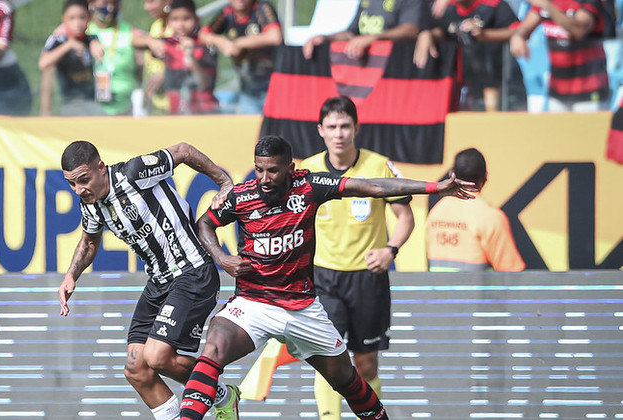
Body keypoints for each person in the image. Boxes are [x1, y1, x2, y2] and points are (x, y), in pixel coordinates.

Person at [179, 135, 477, 420]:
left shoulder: (309, 185)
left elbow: (371, 185)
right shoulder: (240, 197)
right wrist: (221, 258)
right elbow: (205, 223)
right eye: (259, 169)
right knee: (214, 345)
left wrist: (435, 188)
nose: (265, 178)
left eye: (273, 170)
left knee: (347, 380)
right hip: (253, 302)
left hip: (303, 309)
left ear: (289, 169)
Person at [58, 140, 239, 420]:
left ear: (100, 168)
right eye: (72, 184)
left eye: (84, 180)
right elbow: (89, 241)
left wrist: (224, 183)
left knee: (157, 357)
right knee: (136, 369)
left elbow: (184, 151)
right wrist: (72, 274)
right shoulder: (91, 205)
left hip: (192, 272)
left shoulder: (134, 173)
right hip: (158, 282)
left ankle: (224, 397)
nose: (79, 189)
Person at [298, 96, 415, 419]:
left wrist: (391, 249)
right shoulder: (306, 170)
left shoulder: (379, 166)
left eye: (345, 126)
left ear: (356, 128)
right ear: (320, 130)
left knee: (365, 363)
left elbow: (405, 217)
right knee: (329, 361)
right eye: (332, 127)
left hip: (367, 279)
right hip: (322, 279)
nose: (339, 134)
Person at [426, 148, 525, 271]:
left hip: (437, 289)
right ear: (486, 177)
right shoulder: (490, 216)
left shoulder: (436, 212)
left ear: (452, 174)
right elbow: (510, 270)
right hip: (478, 290)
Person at [416, 0, 526, 111]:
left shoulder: (492, 4)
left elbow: (518, 31)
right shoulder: (447, 8)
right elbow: (442, 31)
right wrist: (426, 34)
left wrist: (483, 34)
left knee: (498, 120)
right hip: (466, 83)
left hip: (501, 81)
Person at [510, 0, 609, 111]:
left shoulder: (588, 2)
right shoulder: (549, 2)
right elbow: (525, 28)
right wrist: (517, 37)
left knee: (588, 128)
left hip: (589, 89)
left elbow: (579, 30)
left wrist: (549, 7)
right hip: (558, 91)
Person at [199, 0, 283, 114]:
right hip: (248, 88)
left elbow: (275, 36)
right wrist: (222, 42)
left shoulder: (261, 7)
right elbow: (203, 35)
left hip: (273, 84)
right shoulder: (227, 13)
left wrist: (238, 44)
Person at [138, 0, 220, 114]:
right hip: (177, 111)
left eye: (186, 18)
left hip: (204, 111)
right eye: (175, 19)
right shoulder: (169, 44)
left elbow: (205, 84)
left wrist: (190, 57)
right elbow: (134, 42)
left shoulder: (204, 46)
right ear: (168, 22)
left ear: (196, 19)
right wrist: (149, 41)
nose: (180, 25)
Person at [39, 0, 106, 116]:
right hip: (69, 102)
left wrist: (96, 46)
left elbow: (100, 53)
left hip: (92, 102)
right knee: (49, 70)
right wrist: (69, 45)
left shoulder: (91, 39)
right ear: (64, 19)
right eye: (72, 18)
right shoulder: (58, 40)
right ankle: (46, 111)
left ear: (89, 19)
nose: (77, 23)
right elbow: (43, 64)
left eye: (82, 17)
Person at [302, 0, 428, 60]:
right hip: (366, 69)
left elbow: (411, 29)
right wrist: (325, 38)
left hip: (395, 69)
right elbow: (351, 33)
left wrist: (374, 38)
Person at [88, 0, 137, 115]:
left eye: (114, 3)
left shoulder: (128, 30)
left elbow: (145, 40)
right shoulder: (81, 30)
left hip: (124, 109)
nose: (110, 7)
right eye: (105, 3)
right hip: (90, 112)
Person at [141, 0, 174, 114]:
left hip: (175, 107)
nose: (146, 7)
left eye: (151, 2)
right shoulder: (156, 26)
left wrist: (167, 74)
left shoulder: (180, 28)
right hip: (155, 106)